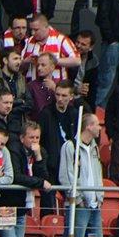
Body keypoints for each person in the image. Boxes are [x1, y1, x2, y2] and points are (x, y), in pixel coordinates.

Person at [0, 121, 51, 237]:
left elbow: (44, 177)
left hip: (22, 208)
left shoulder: (40, 152)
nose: (35, 141)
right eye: (31, 137)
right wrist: (40, 183)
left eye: (37, 137)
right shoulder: (13, 150)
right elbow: (16, 177)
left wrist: (38, 156)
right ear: (22, 138)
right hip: (5, 206)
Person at [59, 113, 104, 237]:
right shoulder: (70, 146)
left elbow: (98, 173)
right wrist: (77, 199)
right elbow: (65, 176)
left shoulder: (95, 148)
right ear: (89, 126)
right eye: (97, 124)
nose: (100, 128)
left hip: (95, 205)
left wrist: (100, 196)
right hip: (79, 205)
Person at [38, 79, 77, 216]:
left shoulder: (74, 113)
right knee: (48, 202)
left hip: (68, 164)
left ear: (71, 97)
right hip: (51, 165)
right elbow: (40, 139)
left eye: (64, 95)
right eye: (57, 94)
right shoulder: (46, 113)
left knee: (73, 200)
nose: (60, 98)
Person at [21, 14, 80, 82]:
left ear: (46, 27)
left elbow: (77, 61)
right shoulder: (29, 40)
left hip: (57, 85)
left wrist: (54, 61)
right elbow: (21, 66)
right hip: (33, 85)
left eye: (36, 30)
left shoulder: (60, 39)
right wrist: (26, 61)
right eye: (31, 30)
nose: (33, 33)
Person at [0, 48, 30, 134]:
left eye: (20, 59)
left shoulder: (21, 78)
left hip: (20, 123)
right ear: (5, 60)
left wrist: (12, 108)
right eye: (15, 59)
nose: (19, 62)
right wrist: (21, 101)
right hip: (0, 124)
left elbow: (29, 103)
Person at [68, 30, 99, 112]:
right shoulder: (68, 56)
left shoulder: (93, 61)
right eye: (77, 42)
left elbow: (93, 89)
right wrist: (75, 89)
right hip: (67, 95)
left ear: (91, 47)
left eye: (83, 44)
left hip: (82, 98)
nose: (78, 46)